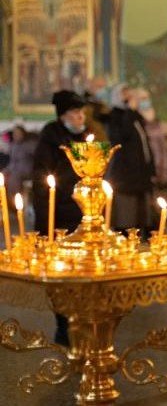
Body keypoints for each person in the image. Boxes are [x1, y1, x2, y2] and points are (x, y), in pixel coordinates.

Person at [32, 90, 91, 346]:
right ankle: (63, 325)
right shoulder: (51, 137)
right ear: (63, 115)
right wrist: (46, 223)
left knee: (83, 273)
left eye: (82, 112)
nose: (81, 117)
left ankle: (81, 321)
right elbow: (41, 181)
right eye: (76, 113)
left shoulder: (87, 138)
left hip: (84, 215)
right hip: (58, 217)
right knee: (60, 276)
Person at [106, 84, 155, 237]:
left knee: (143, 219)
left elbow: (144, 145)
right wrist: (129, 110)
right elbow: (122, 137)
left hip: (141, 175)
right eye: (124, 94)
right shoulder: (115, 116)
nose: (128, 97)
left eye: (129, 93)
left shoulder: (134, 116)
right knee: (126, 219)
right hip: (125, 176)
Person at [135, 88, 167, 190]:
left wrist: (164, 174)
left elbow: (163, 150)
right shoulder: (136, 123)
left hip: (158, 171)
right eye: (142, 99)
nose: (145, 101)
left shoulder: (156, 123)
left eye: (146, 98)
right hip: (143, 172)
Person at [5, 124, 37, 201]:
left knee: (14, 178)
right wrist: (5, 171)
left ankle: (16, 201)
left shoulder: (30, 144)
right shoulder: (13, 145)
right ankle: (7, 204)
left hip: (27, 171)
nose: (16, 135)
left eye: (18, 133)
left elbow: (39, 155)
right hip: (14, 170)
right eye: (15, 134)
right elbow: (12, 162)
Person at [83, 76, 111, 141]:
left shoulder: (102, 103)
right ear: (91, 85)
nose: (102, 90)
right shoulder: (84, 103)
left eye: (104, 87)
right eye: (99, 87)